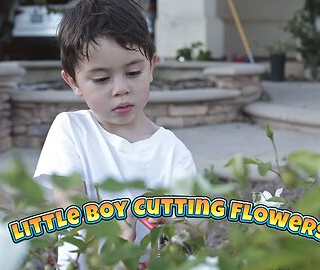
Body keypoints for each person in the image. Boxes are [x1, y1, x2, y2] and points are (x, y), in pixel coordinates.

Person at [32, 0, 197, 268]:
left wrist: (175, 222)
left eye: (133, 72)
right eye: (101, 79)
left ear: (152, 67)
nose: (120, 88)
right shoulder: (71, 130)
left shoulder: (172, 151)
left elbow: (190, 226)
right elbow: (69, 200)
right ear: (73, 82)